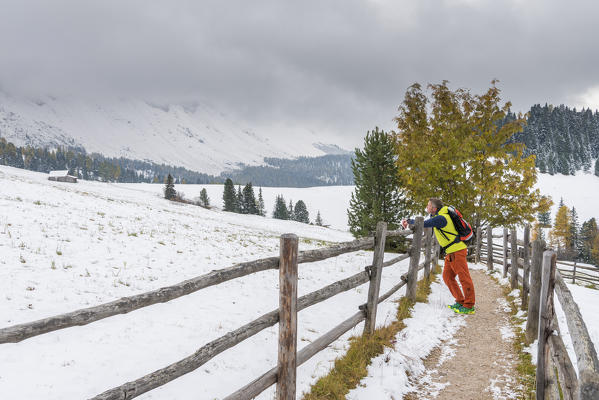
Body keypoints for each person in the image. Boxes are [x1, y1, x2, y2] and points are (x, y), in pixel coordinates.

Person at [401, 198, 475, 315]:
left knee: (464, 278)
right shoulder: (438, 216)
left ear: (434, 208)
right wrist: (410, 221)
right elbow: (425, 221)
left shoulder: (441, 218)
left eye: (429, 205)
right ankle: (460, 301)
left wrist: (409, 221)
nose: (427, 206)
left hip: (457, 250)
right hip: (451, 252)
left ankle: (469, 305)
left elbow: (424, 223)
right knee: (447, 277)